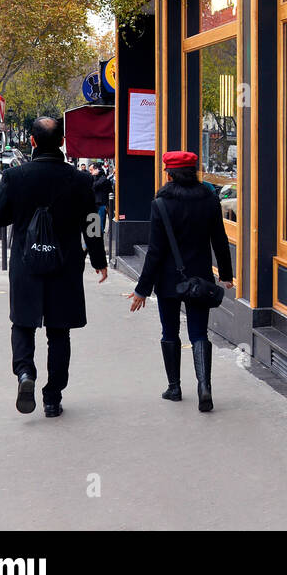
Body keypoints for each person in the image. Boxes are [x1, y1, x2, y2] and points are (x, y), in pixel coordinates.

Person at [0, 117, 108, 417]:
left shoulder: (15, 177)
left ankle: (25, 373)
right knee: (59, 332)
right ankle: (53, 397)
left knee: (23, 324)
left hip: (26, 264)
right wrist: (99, 261)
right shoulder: (81, 180)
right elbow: (92, 224)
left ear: (32, 141)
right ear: (61, 142)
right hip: (64, 266)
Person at [126, 151, 234, 412]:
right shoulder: (209, 199)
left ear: (169, 173)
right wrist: (226, 275)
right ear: (194, 171)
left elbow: (155, 251)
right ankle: (204, 386)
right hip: (200, 278)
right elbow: (219, 239)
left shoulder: (161, 203)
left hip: (168, 280)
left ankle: (174, 388)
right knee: (198, 332)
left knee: (169, 331)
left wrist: (142, 289)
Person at [90, 161, 113, 238]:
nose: (91, 172)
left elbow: (94, 186)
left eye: (92, 170)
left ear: (97, 169)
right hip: (96, 203)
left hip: (101, 203)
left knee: (99, 226)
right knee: (94, 225)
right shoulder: (95, 178)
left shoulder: (103, 179)